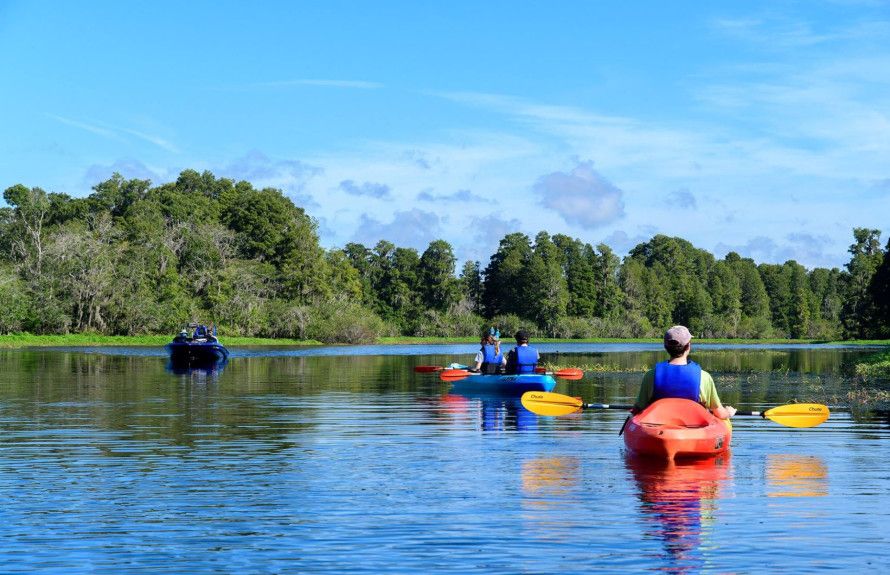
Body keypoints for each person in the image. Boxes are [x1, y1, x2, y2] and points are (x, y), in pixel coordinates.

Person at [633, 325, 736, 419]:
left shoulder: (651, 375)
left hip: (659, 429)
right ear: (688, 346)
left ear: (665, 347)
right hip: (693, 429)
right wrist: (729, 412)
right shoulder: (704, 377)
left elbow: (638, 410)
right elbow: (720, 414)